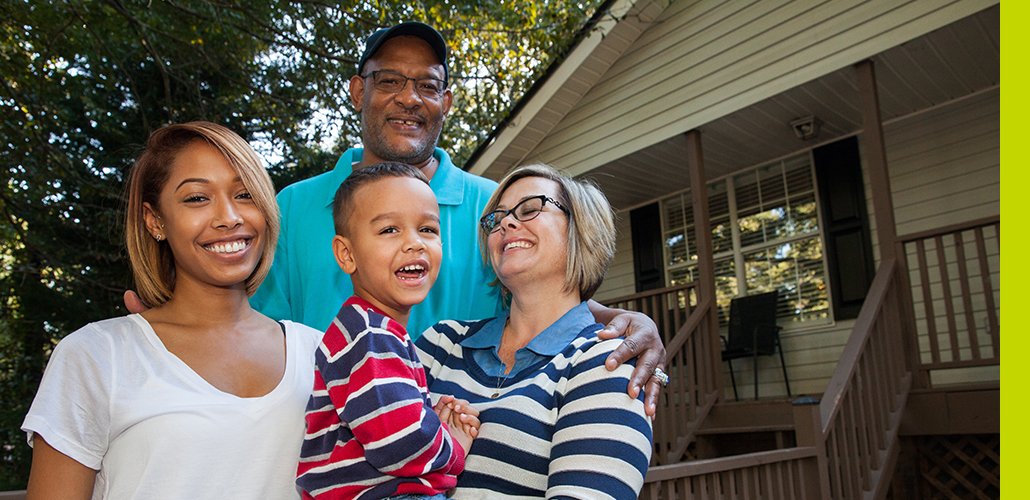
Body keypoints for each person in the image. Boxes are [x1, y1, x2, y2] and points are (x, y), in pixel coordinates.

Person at [242, 21, 670, 412]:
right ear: (358, 91)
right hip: (328, 460)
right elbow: (255, 328)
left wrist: (623, 320)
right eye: (389, 80)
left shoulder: (494, 209)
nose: (409, 98)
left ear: (445, 101)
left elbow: (545, 293)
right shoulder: (293, 206)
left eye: (427, 85)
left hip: (459, 457)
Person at [23, 122, 321, 499]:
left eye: (245, 194)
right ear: (155, 220)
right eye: (197, 198)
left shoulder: (320, 353)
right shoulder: (97, 355)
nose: (229, 217)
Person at [417, 164, 652, 499]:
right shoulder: (442, 343)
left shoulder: (605, 365)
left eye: (530, 209)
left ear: (580, 230)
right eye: (496, 220)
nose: (506, 224)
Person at [296, 163, 480, 500]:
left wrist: (429, 424)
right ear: (347, 254)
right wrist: (453, 448)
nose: (414, 244)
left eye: (427, 229)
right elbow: (399, 442)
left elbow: (392, 421)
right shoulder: (369, 335)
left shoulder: (372, 331)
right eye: (389, 230)